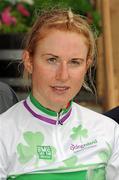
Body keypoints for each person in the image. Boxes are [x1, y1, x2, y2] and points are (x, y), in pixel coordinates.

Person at [0, 9, 119, 180]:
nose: (63, 75)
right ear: (29, 61)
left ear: (87, 66)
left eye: (74, 62)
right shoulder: (4, 133)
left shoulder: (109, 131)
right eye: (52, 60)